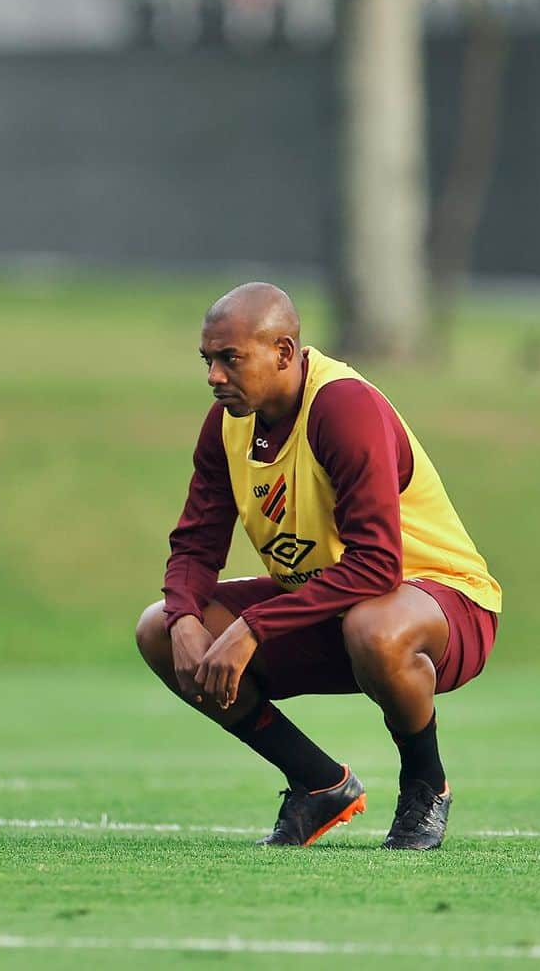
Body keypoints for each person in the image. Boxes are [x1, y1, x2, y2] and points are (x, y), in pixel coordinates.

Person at [135, 282, 501, 850]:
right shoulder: (230, 420)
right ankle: (317, 784)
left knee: (374, 627)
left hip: (441, 604)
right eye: (207, 360)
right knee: (157, 628)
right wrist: (185, 616)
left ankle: (426, 784)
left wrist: (253, 627)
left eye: (230, 358)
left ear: (284, 352)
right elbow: (195, 545)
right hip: (329, 610)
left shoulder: (342, 407)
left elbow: (378, 566)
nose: (213, 376)